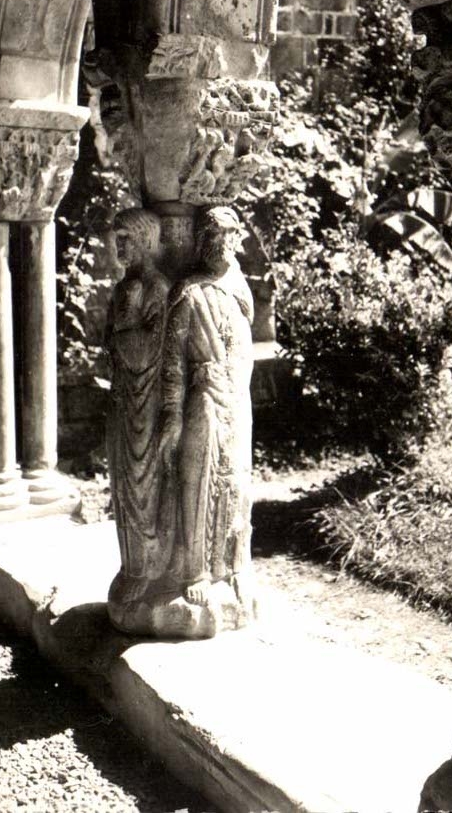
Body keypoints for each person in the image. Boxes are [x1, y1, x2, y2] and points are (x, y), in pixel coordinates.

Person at [157, 206, 254, 610]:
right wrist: (173, 416)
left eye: (231, 237)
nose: (225, 245)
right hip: (205, 399)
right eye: (217, 238)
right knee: (197, 482)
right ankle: (196, 570)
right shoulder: (189, 293)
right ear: (204, 243)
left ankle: (231, 567)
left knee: (236, 485)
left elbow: (244, 348)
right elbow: (174, 362)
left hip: (236, 401)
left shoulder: (239, 290)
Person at [105, 208, 172, 624]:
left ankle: (150, 570)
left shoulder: (157, 288)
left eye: (127, 238)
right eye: (117, 239)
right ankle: (134, 566)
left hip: (145, 400)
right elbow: (109, 341)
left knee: (146, 484)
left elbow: (151, 348)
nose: (120, 246)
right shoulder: (124, 287)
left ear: (147, 240)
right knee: (125, 485)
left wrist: (122, 333)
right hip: (124, 397)